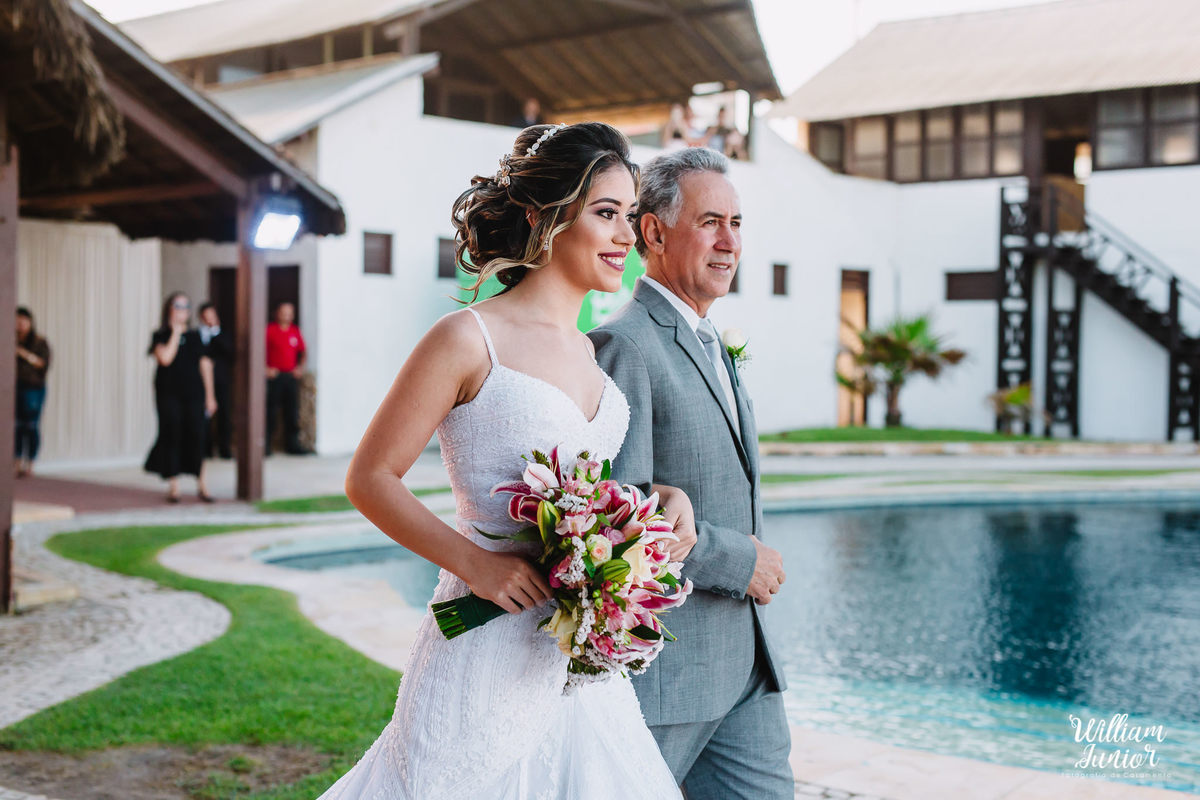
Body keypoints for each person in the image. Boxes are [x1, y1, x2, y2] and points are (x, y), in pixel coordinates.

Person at [321, 123, 696, 799]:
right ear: (540, 217)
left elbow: (580, 491)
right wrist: (477, 565)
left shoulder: (590, 354)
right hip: (481, 650)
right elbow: (369, 478)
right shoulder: (467, 338)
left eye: (629, 218)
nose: (625, 237)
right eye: (605, 213)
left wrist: (658, 506)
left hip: (573, 665)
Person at [589, 147, 792, 799]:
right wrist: (739, 560)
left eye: (737, 223)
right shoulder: (625, 344)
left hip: (747, 671)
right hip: (670, 676)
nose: (730, 242)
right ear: (653, 231)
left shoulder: (709, 338)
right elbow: (617, 515)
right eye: (711, 222)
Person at [145, 292, 217, 503]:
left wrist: (210, 396)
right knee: (172, 435)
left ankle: (202, 484)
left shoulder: (196, 337)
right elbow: (165, 358)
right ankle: (174, 486)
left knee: (197, 435)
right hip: (169, 395)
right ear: (169, 308)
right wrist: (175, 333)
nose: (182, 310)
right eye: (178, 305)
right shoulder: (160, 335)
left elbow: (206, 366)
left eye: (186, 306)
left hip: (193, 394)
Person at [265, 302, 309, 455]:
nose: (286, 315)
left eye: (289, 312)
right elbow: (259, 350)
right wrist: (265, 368)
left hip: (290, 377)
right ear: (277, 313)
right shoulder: (270, 330)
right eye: (283, 312)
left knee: (292, 412)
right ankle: (266, 446)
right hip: (275, 377)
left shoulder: (294, 331)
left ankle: (292, 445)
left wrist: (299, 368)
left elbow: (303, 352)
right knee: (271, 411)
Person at [15, 307, 51, 477]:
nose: (20, 324)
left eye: (23, 320)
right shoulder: (11, 340)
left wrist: (23, 354)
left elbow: (43, 364)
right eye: (17, 320)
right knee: (16, 426)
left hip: (33, 388)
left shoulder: (39, 342)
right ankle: (16, 462)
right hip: (15, 388)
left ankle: (29, 463)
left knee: (31, 426)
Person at [198, 302, 233, 459]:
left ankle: (224, 448)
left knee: (224, 415)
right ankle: (206, 449)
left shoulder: (223, 335)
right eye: (206, 317)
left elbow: (229, 352)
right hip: (201, 380)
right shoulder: (197, 335)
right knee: (203, 415)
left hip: (221, 380)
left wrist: (214, 333)